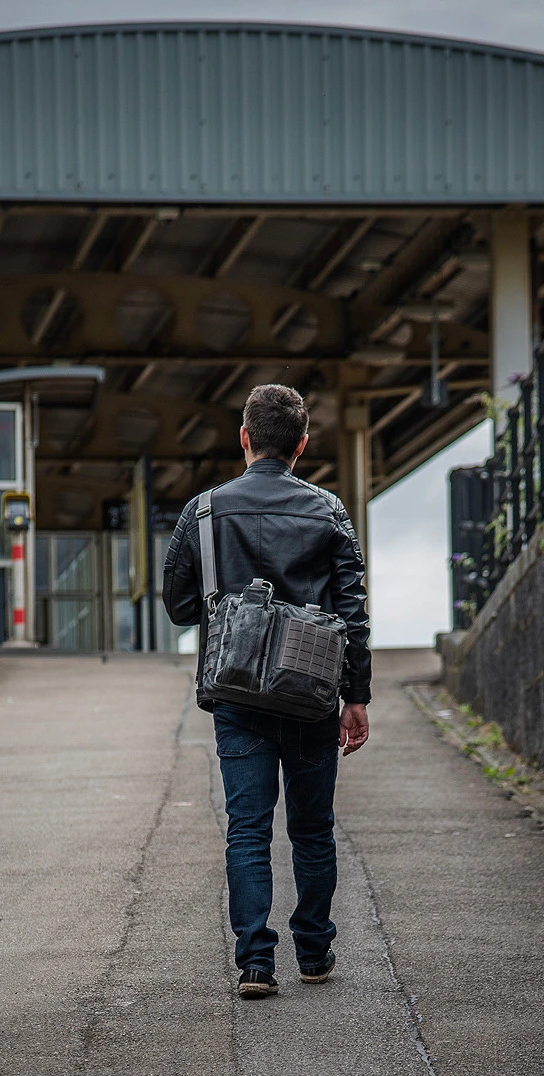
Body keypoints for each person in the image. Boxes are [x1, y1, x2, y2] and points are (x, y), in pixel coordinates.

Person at [162, 384, 371, 999]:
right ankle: (314, 951)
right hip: (310, 692)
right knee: (312, 828)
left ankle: (255, 963)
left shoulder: (203, 513)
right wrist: (355, 695)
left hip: (237, 693)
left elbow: (178, 607)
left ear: (245, 438)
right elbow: (353, 610)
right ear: (303, 445)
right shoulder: (329, 511)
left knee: (247, 829)